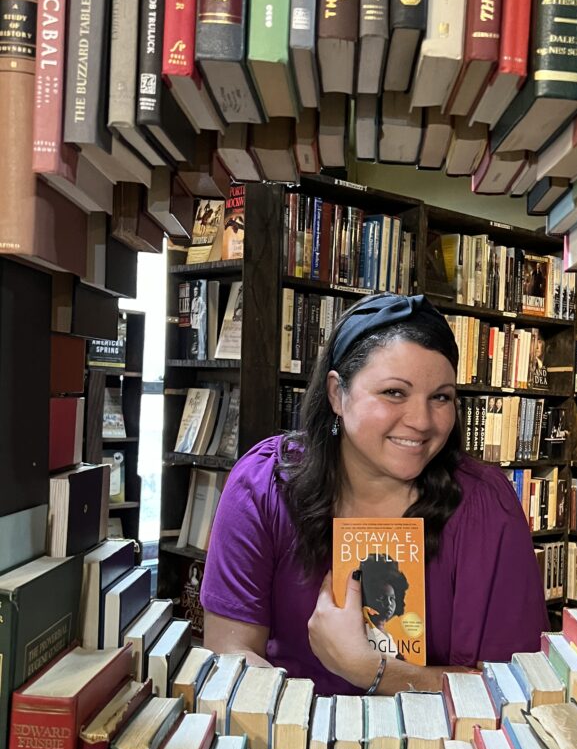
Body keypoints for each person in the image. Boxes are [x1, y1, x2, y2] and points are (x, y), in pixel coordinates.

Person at [202, 292, 548, 695]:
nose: (421, 422)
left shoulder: (488, 506)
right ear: (337, 393)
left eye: (441, 397)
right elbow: (231, 654)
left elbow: (514, 688)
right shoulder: (263, 485)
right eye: (394, 393)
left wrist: (371, 670)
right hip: (292, 745)